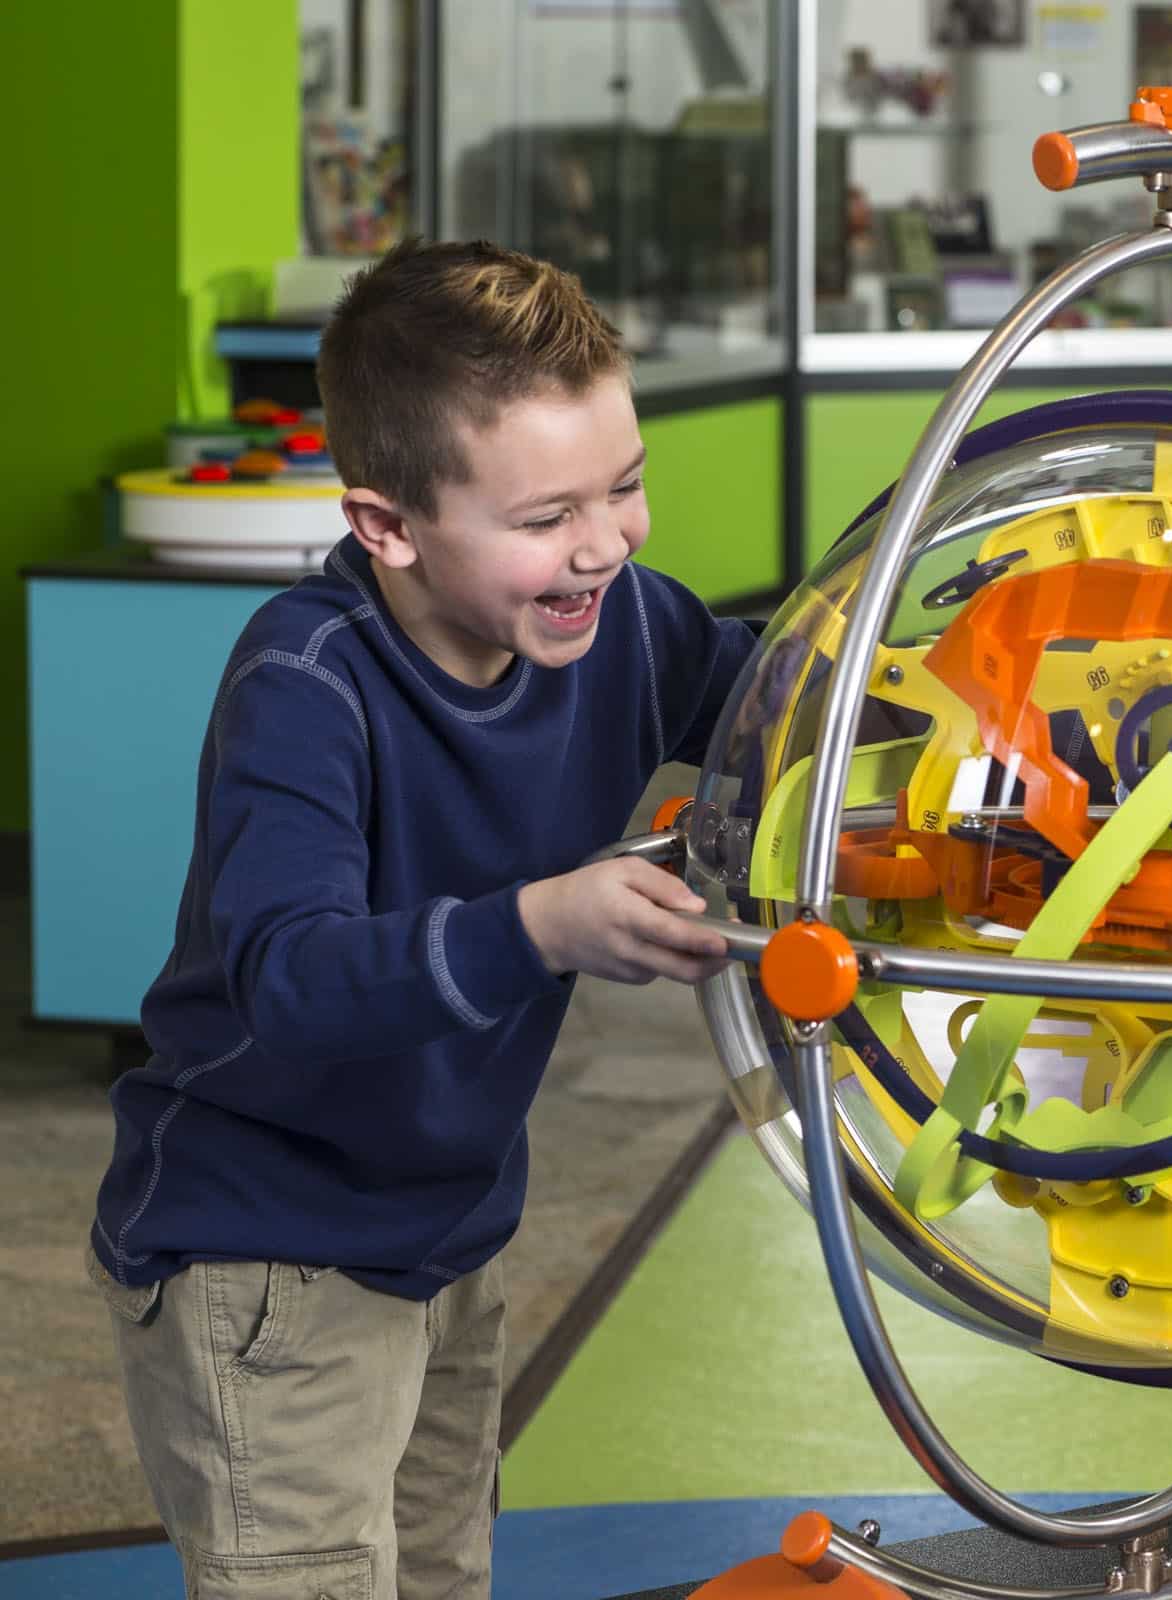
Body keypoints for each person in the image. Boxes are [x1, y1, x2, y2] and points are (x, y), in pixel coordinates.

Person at [86, 237, 755, 1599]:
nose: (604, 543)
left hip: (449, 1232)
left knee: (443, 1572)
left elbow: (792, 705)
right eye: (544, 516)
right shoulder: (304, 680)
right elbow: (292, 976)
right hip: (265, 1249)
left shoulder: (620, 619)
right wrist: (543, 926)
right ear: (387, 525)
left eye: (624, 487)